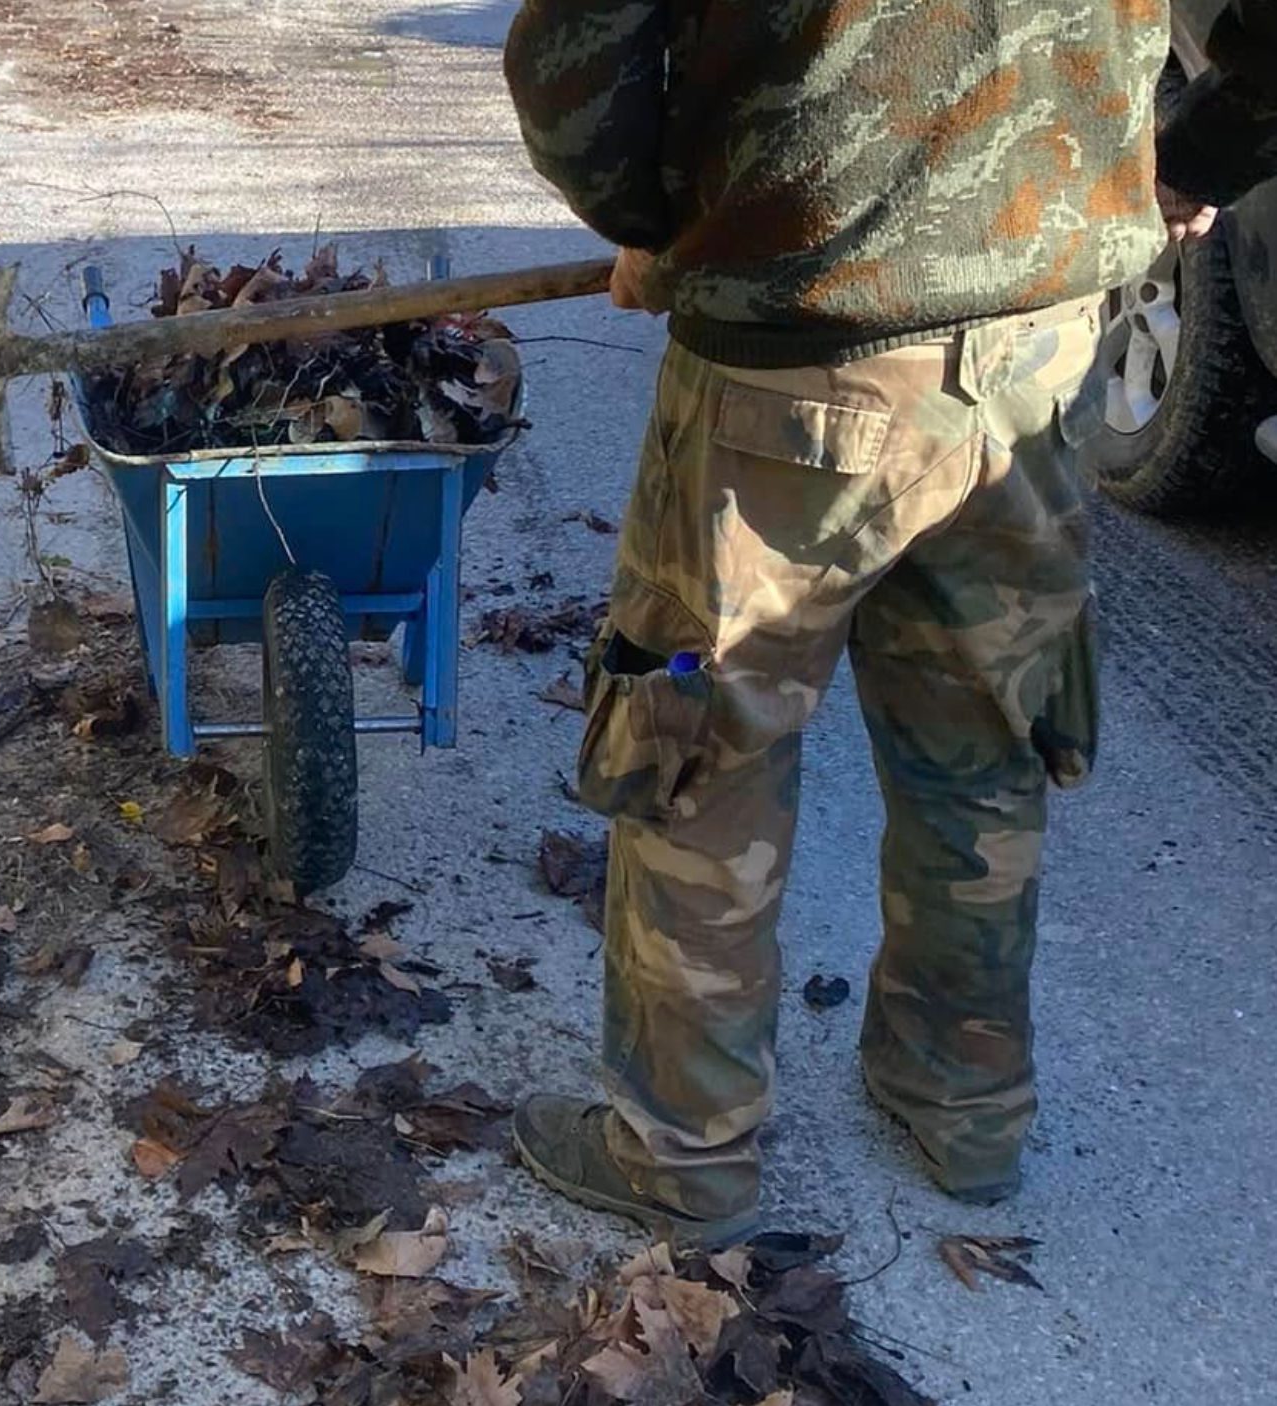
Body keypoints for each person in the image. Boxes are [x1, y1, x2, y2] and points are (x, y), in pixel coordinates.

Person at [501, 0, 1277, 1246]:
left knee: (702, 749)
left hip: (789, 364)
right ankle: (964, 1105)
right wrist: (1198, 157)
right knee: (982, 741)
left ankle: (683, 1150)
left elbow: (570, 59)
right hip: (1036, 349)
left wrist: (662, 225)